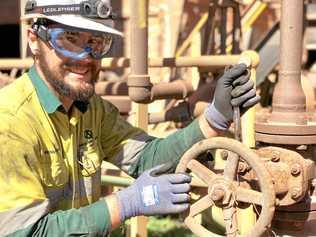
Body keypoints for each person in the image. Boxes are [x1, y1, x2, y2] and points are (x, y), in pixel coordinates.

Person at [0, 0, 260, 236]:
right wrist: (125, 203)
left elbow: (147, 158)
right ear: (34, 40)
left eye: (96, 42)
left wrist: (214, 118)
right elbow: (25, 233)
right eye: (68, 39)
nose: (85, 57)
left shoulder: (91, 110)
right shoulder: (10, 122)